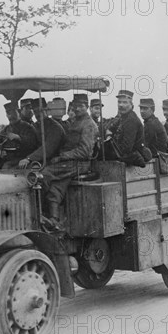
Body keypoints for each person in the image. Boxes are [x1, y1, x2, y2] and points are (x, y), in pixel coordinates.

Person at [39, 94, 98, 232]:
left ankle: (37, 212)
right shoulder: (75, 122)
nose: (77, 109)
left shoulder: (88, 125)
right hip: (70, 162)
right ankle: (54, 220)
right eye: (75, 106)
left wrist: (62, 157)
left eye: (81, 106)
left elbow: (84, 152)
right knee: (56, 187)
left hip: (79, 163)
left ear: (87, 107)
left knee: (43, 175)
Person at [0, 101, 39, 169]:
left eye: (13, 113)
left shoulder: (28, 127)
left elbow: (32, 144)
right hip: (9, 159)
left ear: (19, 112)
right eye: (8, 113)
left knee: (6, 166)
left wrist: (19, 138)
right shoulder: (6, 129)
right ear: (6, 115)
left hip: (23, 159)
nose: (11, 116)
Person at [104, 90, 150, 166]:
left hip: (131, 157)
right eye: (119, 102)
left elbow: (125, 149)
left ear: (131, 105)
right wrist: (109, 136)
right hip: (125, 156)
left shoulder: (131, 120)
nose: (121, 105)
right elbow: (109, 129)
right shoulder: (123, 117)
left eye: (125, 102)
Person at [18, 98, 66, 169]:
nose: (37, 114)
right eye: (35, 111)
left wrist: (29, 159)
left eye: (40, 111)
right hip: (40, 158)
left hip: (54, 160)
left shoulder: (55, 127)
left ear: (46, 109)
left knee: (32, 170)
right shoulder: (36, 126)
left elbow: (48, 148)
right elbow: (31, 142)